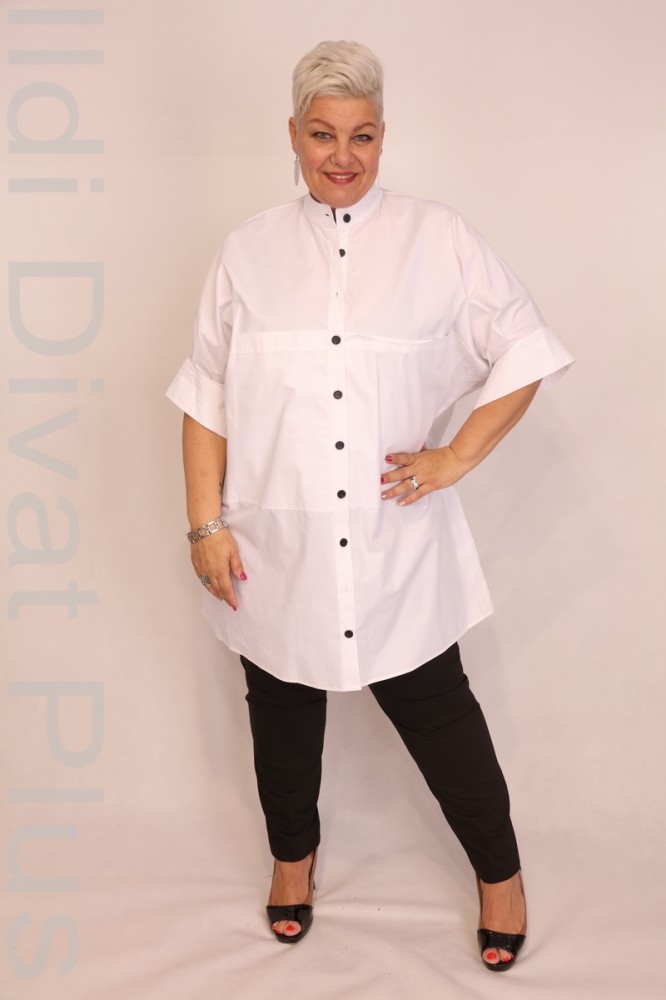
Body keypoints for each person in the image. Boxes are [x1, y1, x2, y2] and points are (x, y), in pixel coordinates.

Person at [167, 40, 573, 971]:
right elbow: (206, 398)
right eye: (322, 135)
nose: (341, 156)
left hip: (397, 547)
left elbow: (525, 348)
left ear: (384, 135)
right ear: (293, 135)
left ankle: (501, 877)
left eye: (361, 135)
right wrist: (204, 525)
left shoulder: (440, 238)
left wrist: (455, 456)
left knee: (442, 718)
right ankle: (293, 860)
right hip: (274, 546)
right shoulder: (246, 253)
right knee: (280, 717)